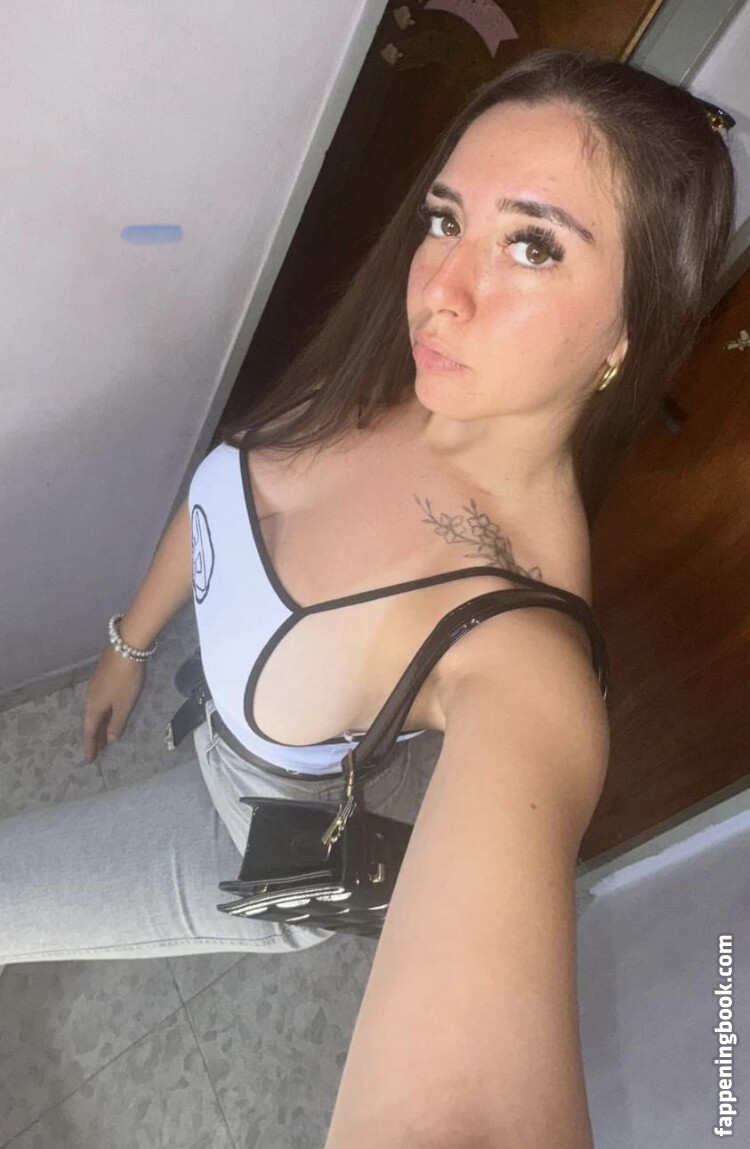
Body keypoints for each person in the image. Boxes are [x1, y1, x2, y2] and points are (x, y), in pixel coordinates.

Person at [1, 47, 735, 1149]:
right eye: (446, 219)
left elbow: (470, 1117)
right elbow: (218, 497)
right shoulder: (388, 375)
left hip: (242, 842)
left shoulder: (520, 647)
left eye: (533, 245)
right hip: (208, 701)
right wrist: (128, 643)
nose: (441, 290)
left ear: (627, 334)